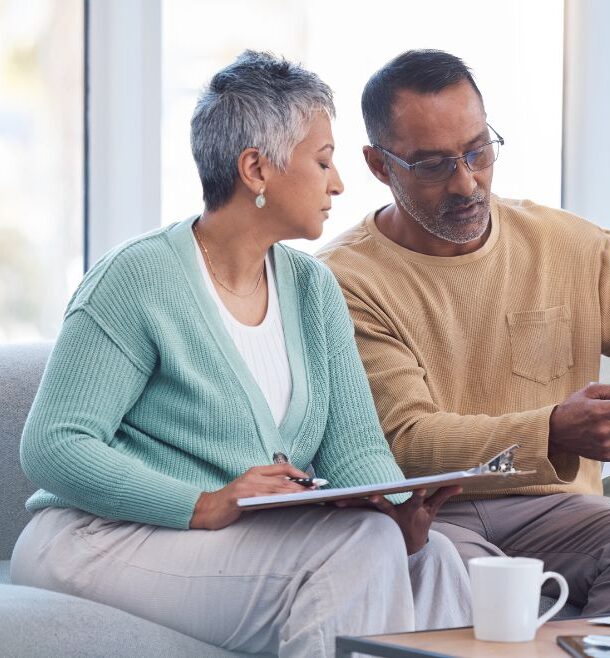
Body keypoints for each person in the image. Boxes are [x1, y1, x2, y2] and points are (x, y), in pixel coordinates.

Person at [11, 50, 472, 657]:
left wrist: (397, 509)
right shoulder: (137, 279)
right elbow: (54, 446)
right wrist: (203, 503)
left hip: (232, 543)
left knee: (431, 556)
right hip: (102, 538)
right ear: (256, 168)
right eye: (324, 161)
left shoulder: (313, 289)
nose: (338, 183)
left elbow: (355, 447)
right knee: (360, 546)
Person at [318, 49, 610, 616]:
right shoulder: (343, 279)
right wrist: (551, 432)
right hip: (434, 510)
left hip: (561, 510)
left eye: (478, 151)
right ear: (380, 166)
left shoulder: (573, 244)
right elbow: (408, 442)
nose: (466, 182)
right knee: (455, 579)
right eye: (433, 165)